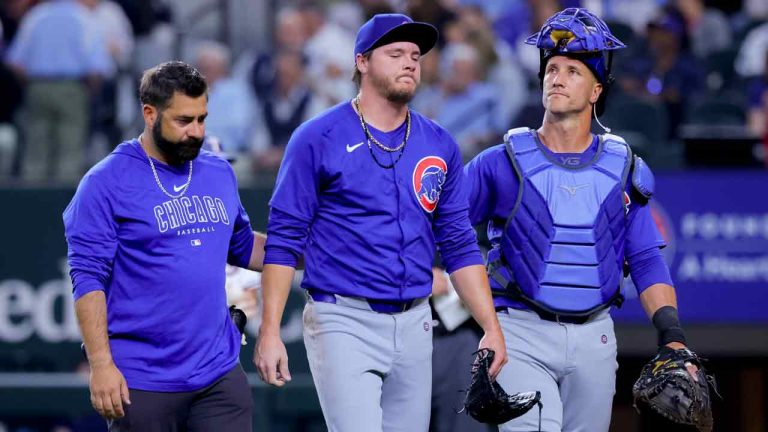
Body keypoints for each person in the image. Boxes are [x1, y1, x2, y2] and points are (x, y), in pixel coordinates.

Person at [254, 13, 506, 432]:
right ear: (362, 63)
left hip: (414, 319)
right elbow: (284, 240)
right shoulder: (317, 137)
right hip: (343, 316)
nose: (410, 62)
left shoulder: (438, 142)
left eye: (415, 55)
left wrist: (491, 328)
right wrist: (269, 331)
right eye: (395, 53)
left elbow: (460, 245)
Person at [464, 8, 697, 431]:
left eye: (572, 70)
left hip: (596, 337)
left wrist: (671, 333)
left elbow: (644, 258)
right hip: (520, 332)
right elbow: (448, 230)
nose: (556, 76)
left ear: (596, 90)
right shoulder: (499, 162)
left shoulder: (622, 164)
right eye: (551, 68)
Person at [63, 61, 265, 431]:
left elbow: (244, 247)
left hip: (217, 374)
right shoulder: (105, 183)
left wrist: (314, 251)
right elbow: (88, 278)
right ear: (150, 113)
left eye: (202, 119)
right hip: (142, 379)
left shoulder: (218, 171)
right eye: (183, 121)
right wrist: (101, 365)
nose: (197, 132)